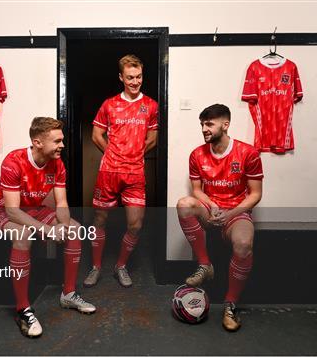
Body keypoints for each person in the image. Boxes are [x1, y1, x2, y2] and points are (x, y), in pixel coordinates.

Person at [0, 117, 96, 338]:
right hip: (6, 211)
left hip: (35, 209)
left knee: (75, 229)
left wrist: (63, 227)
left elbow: (62, 203)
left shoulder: (58, 164)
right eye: (57, 141)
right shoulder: (13, 161)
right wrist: (47, 230)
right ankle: (23, 309)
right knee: (23, 234)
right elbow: (12, 211)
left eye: (62, 140)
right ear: (38, 142)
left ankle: (68, 294)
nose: (62, 145)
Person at [176, 104, 263, 332]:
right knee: (184, 204)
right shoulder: (197, 154)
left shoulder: (248, 153)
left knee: (244, 244)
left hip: (236, 213)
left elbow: (256, 194)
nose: (204, 129)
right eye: (202, 124)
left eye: (209, 124)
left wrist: (231, 213)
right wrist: (212, 205)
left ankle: (230, 305)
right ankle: (205, 266)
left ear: (225, 125)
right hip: (211, 211)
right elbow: (197, 190)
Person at [83, 54, 159, 288]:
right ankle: (95, 267)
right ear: (121, 77)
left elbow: (153, 138)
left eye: (138, 77)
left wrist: (134, 154)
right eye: (130, 78)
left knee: (136, 224)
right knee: (100, 219)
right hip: (109, 172)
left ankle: (121, 266)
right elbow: (96, 135)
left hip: (135, 173)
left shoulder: (151, 106)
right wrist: (112, 153)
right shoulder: (109, 104)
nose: (135, 82)